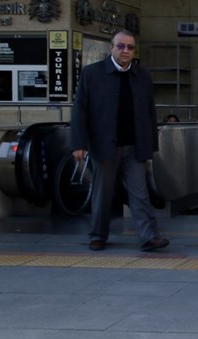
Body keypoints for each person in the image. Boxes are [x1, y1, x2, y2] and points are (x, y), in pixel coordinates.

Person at [70, 30, 168, 252]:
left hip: (135, 147)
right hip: (104, 145)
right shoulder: (92, 74)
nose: (126, 51)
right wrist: (78, 143)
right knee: (102, 194)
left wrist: (151, 145)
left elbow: (150, 112)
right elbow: (80, 111)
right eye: (121, 46)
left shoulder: (142, 76)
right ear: (111, 48)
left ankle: (149, 237)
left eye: (130, 47)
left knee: (140, 194)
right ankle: (98, 235)